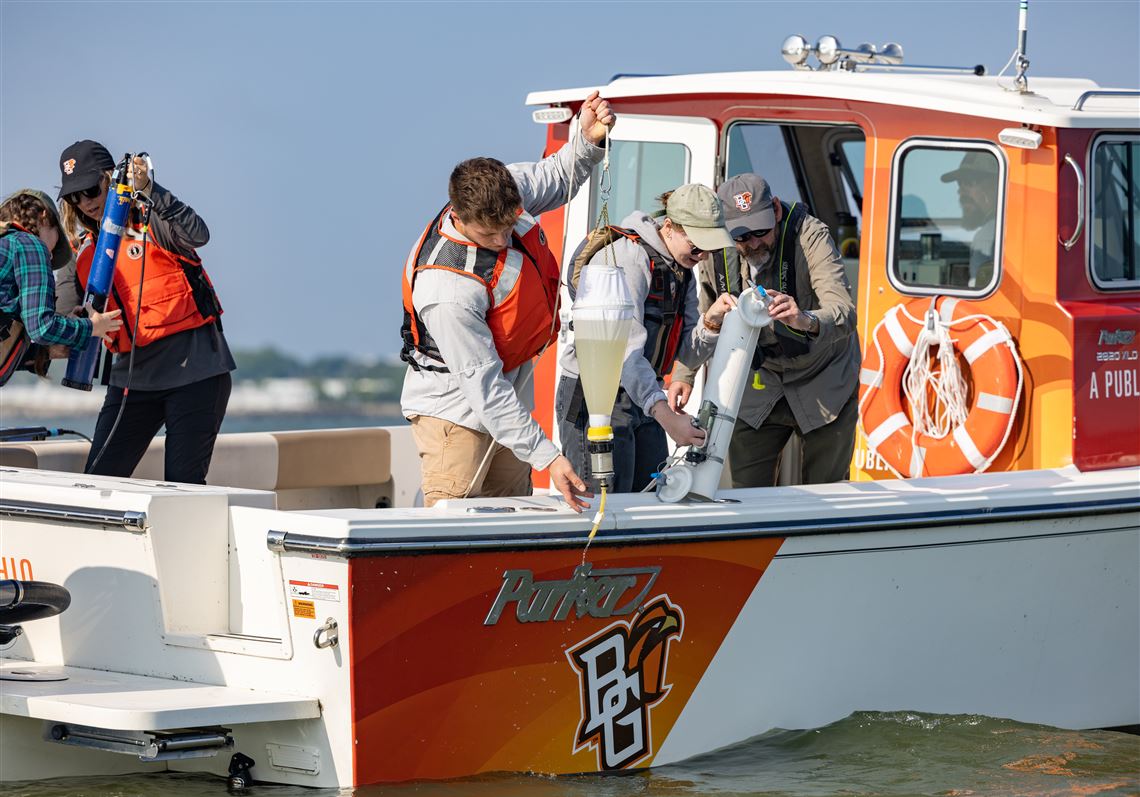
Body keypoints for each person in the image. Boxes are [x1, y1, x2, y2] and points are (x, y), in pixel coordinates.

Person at [400, 92, 614, 512]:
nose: (501, 241)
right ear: (459, 219)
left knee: (513, 523)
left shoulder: (503, 195)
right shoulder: (447, 289)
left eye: (507, 227)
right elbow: (483, 386)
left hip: (507, 410)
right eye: (489, 235)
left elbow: (555, 176)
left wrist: (587, 141)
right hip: (455, 416)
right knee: (455, 539)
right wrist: (549, 456)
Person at [57, 140, 233, 484]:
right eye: (74, 197)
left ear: (110, 179)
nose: (85, 202)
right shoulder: (79, 251)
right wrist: (78, 322)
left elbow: (199, 235)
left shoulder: (152, 219)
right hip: (131, 381)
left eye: (91, 189)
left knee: (183, 488)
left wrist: (150, 188)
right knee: (96, 483)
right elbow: (64, 314)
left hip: (196, 373)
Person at [671, 174, 860, 488]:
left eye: (761, 231)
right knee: (745, 494)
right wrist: (683, 372)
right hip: (759, 383)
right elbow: (706, 316)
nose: (753, 242)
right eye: (741, 236)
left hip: (824, 380)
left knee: (828, 495)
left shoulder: (810, 235)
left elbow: (844, 311)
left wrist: (804, 320)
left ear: (775, 210)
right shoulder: (714, 248)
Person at [557, 184, 737, 493]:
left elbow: (686, 354)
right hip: (599, 398)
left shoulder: (682, 270)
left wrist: (712, 322)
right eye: (696, 244)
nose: (702, 254)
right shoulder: (629, 260)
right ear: (669, 227)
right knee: (608, 504)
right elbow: (623, 355)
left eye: (709, 247)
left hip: (643, 396)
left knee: (650, 498)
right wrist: (666, 416)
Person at [0, 190, 121, 384]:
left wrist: (47, 351)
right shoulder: (29, 244)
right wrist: (92, 327)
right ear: (44, 215)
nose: (50, 255)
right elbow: (41, 328)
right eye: (54, 247)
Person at [941, 150, 999, 288]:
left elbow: (980, 298)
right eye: (960, 183)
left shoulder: (988, 234)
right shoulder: (1005, 228)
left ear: (997, 184)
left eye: (969, 182)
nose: (961, 191)